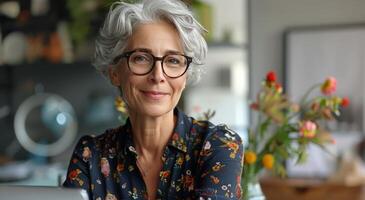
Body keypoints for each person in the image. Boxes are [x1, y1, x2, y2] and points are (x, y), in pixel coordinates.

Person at [63, 0, 243, 199]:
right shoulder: (91, 155)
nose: (158, 75)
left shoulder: (218, 146)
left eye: (173, 60)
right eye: (141, 58)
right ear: (114, 72)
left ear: (185, 77)